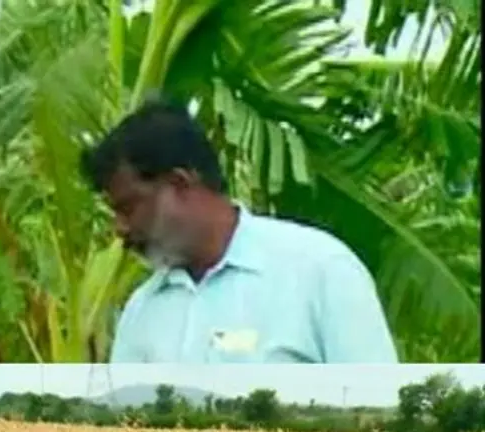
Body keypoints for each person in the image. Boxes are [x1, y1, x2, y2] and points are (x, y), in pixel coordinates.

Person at [80, 99, 399, 364]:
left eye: (128, 207)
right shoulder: (142, 312)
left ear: (180, 184)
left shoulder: (320, 273)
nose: (120, 229)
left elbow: (382, 421)